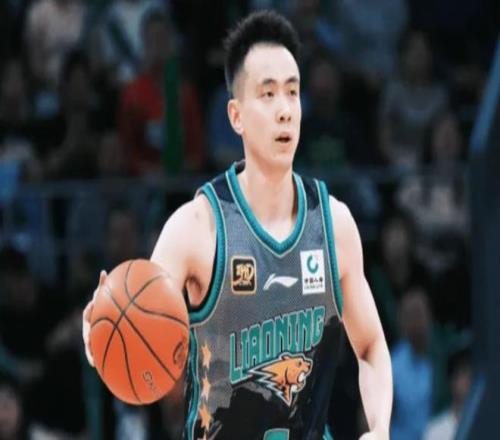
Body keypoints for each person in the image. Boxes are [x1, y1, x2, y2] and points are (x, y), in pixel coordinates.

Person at [82, 11, 392, 439]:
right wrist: (104, 329)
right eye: (268, 94)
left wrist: (379, 427)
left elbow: (371, 346)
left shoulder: (334, 224)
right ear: (236, 116)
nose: (285, 110)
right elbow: (141, 323)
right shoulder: (196, 227)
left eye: (292, 92)